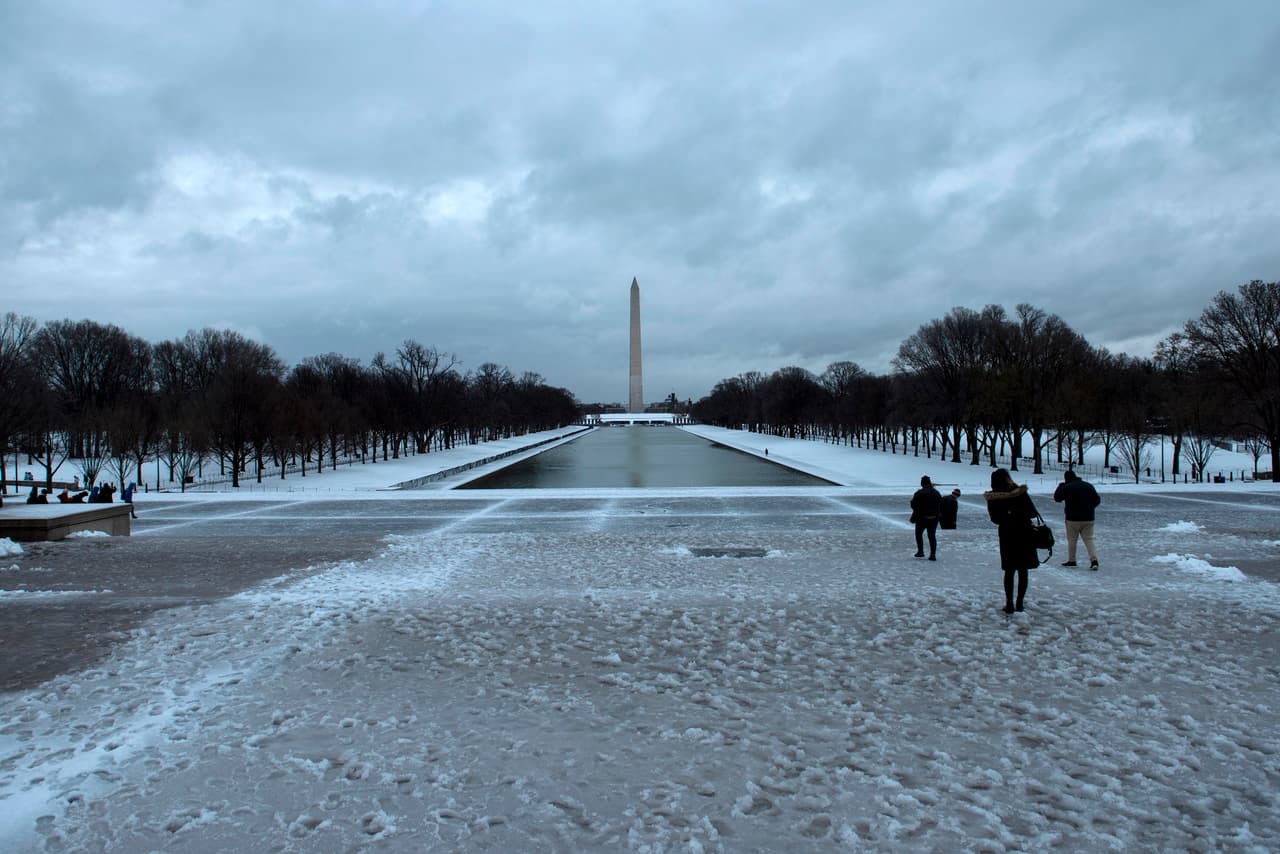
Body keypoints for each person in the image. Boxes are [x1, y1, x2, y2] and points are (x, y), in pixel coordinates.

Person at [984, 468, 1040, 613]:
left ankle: (1009, 602)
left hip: (1007, 534)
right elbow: (1032, 512)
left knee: (1009, 570)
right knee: (1023, 569)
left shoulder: (994, 497)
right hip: (1024, 532)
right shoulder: (1019, 493)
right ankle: (1020, 602)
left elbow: (995, 519)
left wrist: (1007, 517)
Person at [1054, 469, 1101, 570]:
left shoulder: (1067, 487)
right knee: (1089, 539)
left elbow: (1057, 498)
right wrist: (1089, 508)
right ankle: (1094, 560)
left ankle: (1072, 560)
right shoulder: (1088, 485)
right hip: (1088, 518)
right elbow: (1097, 500)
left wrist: (1060, 486)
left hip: (1072, 518)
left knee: (1072, 540)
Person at [910, 475, 942, 560]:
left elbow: (913, 504)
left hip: (921, 517)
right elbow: (940, 504)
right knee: (932, 536)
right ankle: (933, 554)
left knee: (918, 534)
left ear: (922, 484)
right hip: (934, 517)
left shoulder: (919, 493)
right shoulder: (936, 492)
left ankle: (920, 551)